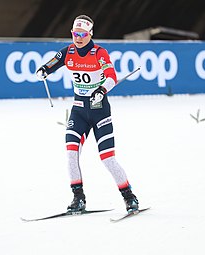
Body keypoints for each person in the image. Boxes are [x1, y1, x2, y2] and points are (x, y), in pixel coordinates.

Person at [36, 14, 139, 213]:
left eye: (83, 34)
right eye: (76, 33)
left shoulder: (99, 52)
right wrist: (43, 71)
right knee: (71, 154)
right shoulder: (68, 52)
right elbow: (51, 64)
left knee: (107, 158)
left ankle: (129, 197)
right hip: (79, 111)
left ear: (90, 33)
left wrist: (101, 91)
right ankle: (78, 198)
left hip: (100, 110)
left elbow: (111, 76)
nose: (79, 37)